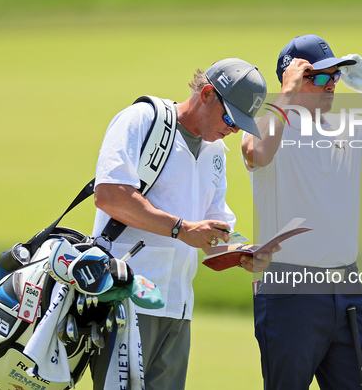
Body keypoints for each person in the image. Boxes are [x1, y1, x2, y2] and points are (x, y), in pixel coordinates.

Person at [242, 34, 362, 389]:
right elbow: (257, 153)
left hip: (347, 287)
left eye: (334, 75)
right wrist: (285, 94)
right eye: (318, 77)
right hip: (289, 291)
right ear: (292, 80)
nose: (330, 84)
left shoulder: (351, 127)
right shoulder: (265, 127)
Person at [90, 58, 275, 390]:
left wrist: (241, 252)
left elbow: (213, 231)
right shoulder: (142, 119)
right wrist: (180, 228)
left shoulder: (216, 150)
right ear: (206, 94)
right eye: (231, 118)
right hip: (124, 301)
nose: (233, 130)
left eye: (241, 125)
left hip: (177, 308)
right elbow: (110, 196)